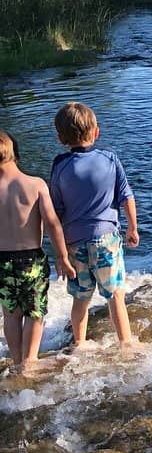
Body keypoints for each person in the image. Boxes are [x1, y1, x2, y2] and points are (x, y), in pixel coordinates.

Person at [50, 103, 140, 350]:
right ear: (96, 132)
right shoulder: (109, 158)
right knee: (115, 296)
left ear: (60, 138)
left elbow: (55, 212)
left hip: (75, 243)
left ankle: (79, 344)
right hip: (106, 240)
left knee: (81, 299)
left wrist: (59, 250)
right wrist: (133, 228)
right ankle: (126, 344)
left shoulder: (59, 166)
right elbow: (126, 196)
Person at [0, 129, 76, 373]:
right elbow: (53, 223)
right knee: (34, 312)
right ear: (16, 155)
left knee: (11, 315)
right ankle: (30, 361)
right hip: (30, 261)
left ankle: (15, 362)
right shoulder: (35, 185)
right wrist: (62, 256)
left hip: (2, 263)